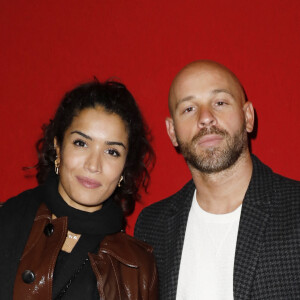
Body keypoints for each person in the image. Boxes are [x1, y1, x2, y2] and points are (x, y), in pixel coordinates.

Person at [135, 60, 300, 300]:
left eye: (220, 103)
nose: (206, 118)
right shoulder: (151, 227)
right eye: (189, 109)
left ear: (248, 116)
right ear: (172, 132)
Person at [0, 80, 158, 299]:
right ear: (58, 149)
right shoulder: (8, 220)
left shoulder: (137, 267)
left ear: (124, 168)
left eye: (112, 151)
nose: (93, 165)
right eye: (81, 143)